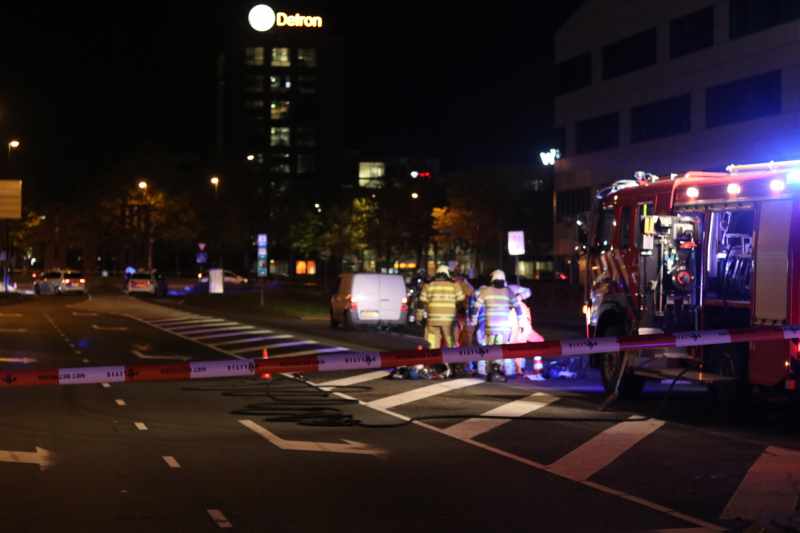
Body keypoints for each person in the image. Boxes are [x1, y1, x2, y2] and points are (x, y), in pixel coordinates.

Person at [470, 270, 523, 382]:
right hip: (503, 328)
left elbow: (475, 307)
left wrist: (473, 322)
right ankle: (496, 373)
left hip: (489, 327)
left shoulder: (486, 291)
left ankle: (489, 372)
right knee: (500, 350)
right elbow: (518, 308)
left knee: (489, 349)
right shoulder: (508, 292)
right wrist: (521, 323)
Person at [415, 264, 465, 378]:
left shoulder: (428, 285)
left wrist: (419, 318)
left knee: (433, 346)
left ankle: (434, 369)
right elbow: (462, 301)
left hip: (433, 321)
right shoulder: (454, 285)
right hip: (449, 322)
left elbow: (421, 303)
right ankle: (456, 369)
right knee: (451, 345)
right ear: (448, 273)